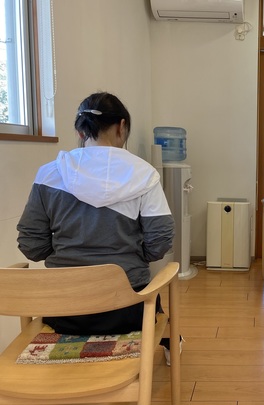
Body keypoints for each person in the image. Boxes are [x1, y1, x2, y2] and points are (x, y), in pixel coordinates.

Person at [17, 92, 176, 361]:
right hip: (128, 309)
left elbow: (31, 245)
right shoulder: (144, 174)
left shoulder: (49, 174)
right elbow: (160, 239)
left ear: (80, 131)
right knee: (151, 295)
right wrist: (134, 256)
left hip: (64, 311)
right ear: (121, 126)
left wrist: (65, 256)